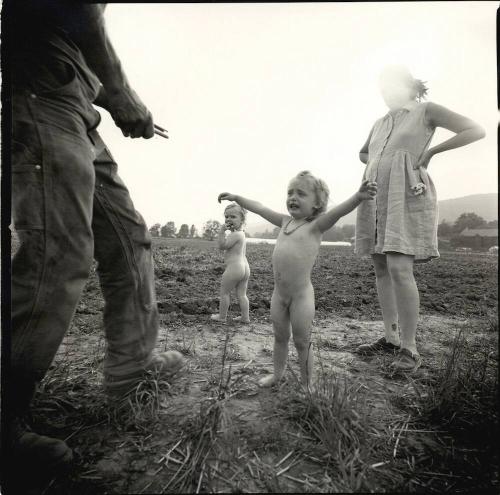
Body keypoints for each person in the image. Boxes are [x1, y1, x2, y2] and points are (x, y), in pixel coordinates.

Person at [3, 0, 185, 479]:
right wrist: (123, 91)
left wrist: (110, 95)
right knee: (58, 253)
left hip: (74, 97)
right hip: (38, 88)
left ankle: (131, 368)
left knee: (128, 237)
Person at [354, 65, 485, 371]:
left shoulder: (426, 110)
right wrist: (376, 165)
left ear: (411, 87)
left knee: (400, 266)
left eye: (391, 85)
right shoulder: (380, 122)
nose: (385, 92)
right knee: (381, 266)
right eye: (381, 87)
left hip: (407, 193)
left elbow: (475, 129)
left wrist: (429, 153)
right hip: (377, 195)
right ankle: (390, 337)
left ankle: (409, 348)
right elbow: (363, 153)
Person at [219, 172, 377, 390]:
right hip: (279, 295)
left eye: (301, 194)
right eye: (290, 192)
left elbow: (339, 212)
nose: (293, 197)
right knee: (280, 337)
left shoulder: (316, 226)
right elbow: (260, 208)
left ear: (317, 204)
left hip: (301, 296)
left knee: (302, 342)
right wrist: (238, 197)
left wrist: (358, 197)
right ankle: (277, 375)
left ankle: (307, 385)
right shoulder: (284, 222)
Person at [210, 203, 251, 324]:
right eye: (226, 217)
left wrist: (222, 232)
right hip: (244, 268)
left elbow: (222, 246)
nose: (228, 219)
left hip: (235, 268)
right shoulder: (242, 234)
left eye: (233, 217)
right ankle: (245, 317)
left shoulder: (235, 234)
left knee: (224, 292)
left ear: (242, 220)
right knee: (242, 294)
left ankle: (222, 317)